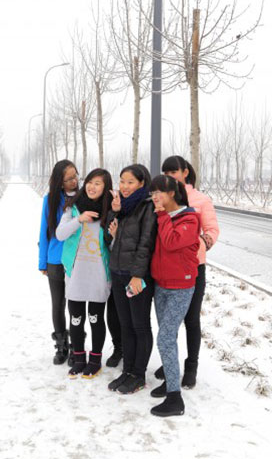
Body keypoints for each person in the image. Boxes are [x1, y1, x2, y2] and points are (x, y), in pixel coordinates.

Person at [154, 155, 220, 389]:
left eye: (173, 172)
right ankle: (168, 363)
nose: (170, 176)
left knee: (191, 319)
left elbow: (212, 230)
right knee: (166, 324)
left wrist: (194, 246)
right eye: (166, 173)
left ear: (185, 173)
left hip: (193, 268)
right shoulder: (160, 197)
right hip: (165, 270)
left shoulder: (200, 200)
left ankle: (191, 366)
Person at [147, 175, 201, 417]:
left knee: (165, 338)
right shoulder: (162, 216)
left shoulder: (190, 218)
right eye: (153, 192)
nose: (155, 196)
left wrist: (161, 216)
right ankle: (170, 380)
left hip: (181, 286)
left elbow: (170, 242)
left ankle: (175, 399)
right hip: (161, 284)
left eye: (160, 191)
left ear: (173, 193)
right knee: (167, 337)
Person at [55, 168, 114, 379]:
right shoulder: (72, 208)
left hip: (98, 274)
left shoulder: (110, 211)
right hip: (76, 273)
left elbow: (115, 244)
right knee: (76, 318)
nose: (92, 186)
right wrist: (79, 220)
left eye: (98, 183)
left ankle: (95, 360)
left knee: (96, 318)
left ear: (106, 188)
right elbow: (60, 234)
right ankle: (79, 358)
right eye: (90, 181)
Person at [105, 164, 157, 395]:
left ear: (142, 183)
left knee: (140, 325)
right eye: (122, 181)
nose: (124, 187)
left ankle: (138, 374)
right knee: (125, 325)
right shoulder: (122, 207)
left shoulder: (147, 207)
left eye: (130, 182)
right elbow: (109, 236)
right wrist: (114, 211)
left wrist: (137, 275)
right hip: (117, 271)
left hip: (136, 277)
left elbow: (146, 244)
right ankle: (128, 370)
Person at [38, 160, 79, 365]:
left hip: (77, 260)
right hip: (55, 259)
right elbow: (44, 231)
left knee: (75, 305)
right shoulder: (50, 200)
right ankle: (61, 345)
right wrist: (42, 262)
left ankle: (76, 346)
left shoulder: (83, 197)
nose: (74, 181)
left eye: (75, 176)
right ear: (59, 182)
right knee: (58, 304)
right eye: (69, 179)